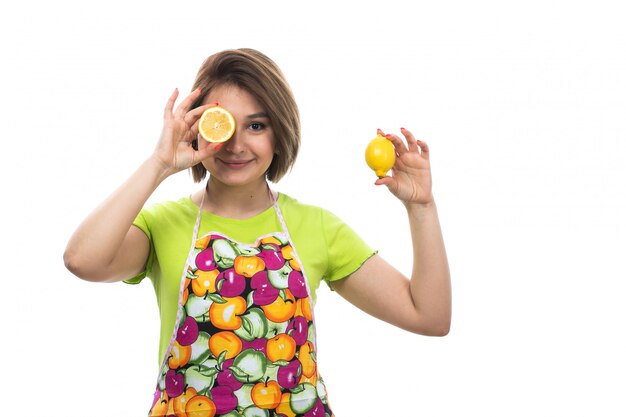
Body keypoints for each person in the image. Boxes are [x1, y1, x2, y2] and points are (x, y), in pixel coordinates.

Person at [64, 48, 451, 417]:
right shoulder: (161, 225)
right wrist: (160, 163)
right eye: (220, 123)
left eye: (256, 125)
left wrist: (421, 207)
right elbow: (82, 261)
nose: (236, 144)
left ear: (279, 132)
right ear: (196, 129)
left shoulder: (317, 226)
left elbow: (429, 317)